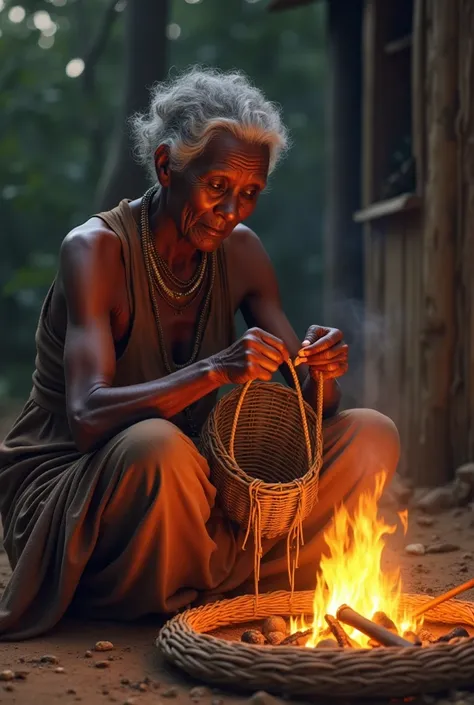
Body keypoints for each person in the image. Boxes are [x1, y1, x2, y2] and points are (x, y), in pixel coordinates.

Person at [0, 67, 400, 641]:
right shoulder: (95, 251)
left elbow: (320, 409)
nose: (232, 210)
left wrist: (321, 371)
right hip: (80, 492)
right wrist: (215, 369)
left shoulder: (242, 253)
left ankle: (202, 584)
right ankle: (198, 586)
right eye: (217, 187)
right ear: (167, 167)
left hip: (196, 496)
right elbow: (88, 418)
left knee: (371, 435)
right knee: (160, 449)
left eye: (250, 194)